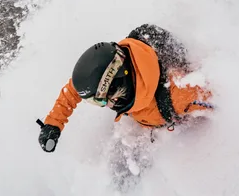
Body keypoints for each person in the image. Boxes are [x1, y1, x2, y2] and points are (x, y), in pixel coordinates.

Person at [38, 24, 213, 153]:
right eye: (95, 101)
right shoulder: (121, 73)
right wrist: (53, 123)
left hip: (179, 133)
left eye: (102, 99)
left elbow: (226, 101)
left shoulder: (180, 94)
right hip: (147, 121)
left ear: (118, 83)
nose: (104, 104)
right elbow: (74, 90)